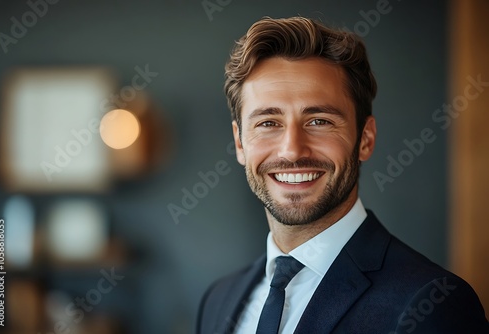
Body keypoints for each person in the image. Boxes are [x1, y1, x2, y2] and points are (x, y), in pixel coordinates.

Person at [196, 16, 488, 334]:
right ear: (240, 142)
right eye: (268, 123)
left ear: (365, 138)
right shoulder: (217, 301)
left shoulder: (434, 305)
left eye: (319, 120)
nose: (292, 151)